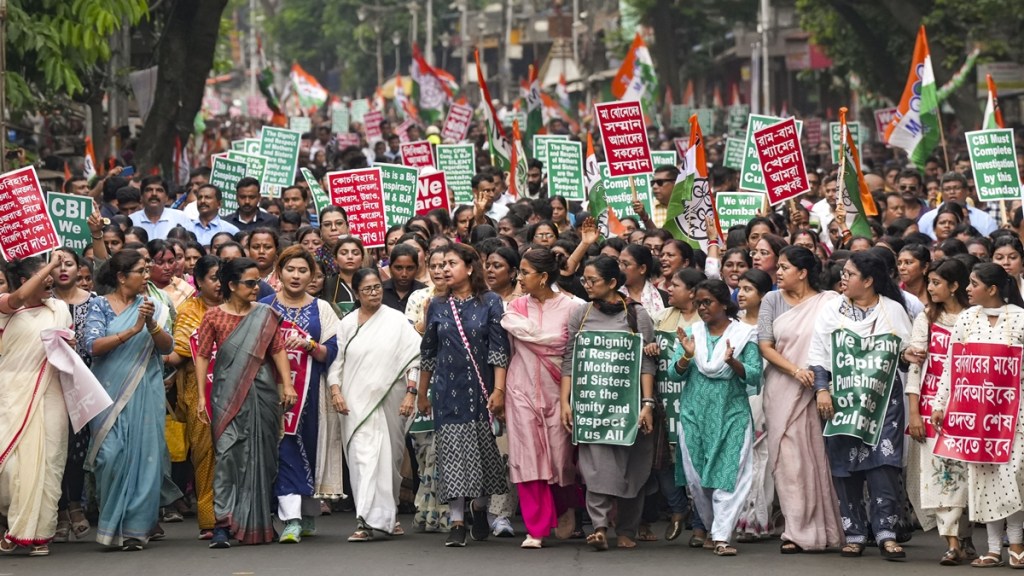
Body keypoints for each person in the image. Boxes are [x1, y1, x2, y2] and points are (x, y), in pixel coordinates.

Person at [808, 251, 912, 560]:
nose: (843, 277)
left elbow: (903, 356)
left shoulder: (893, 311)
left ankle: (886, 533)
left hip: (883, 404)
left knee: (884, 467)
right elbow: (819, 356)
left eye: (850, 274)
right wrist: (822, 391)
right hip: (841, 403)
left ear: (868, 281)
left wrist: (910, 356)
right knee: (844, 468)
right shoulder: (830, 312)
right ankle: (854, 532)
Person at [193, 258, 297, 548]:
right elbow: (202, 354)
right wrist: (202, 396)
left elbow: (277, 350)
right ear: (231, 285)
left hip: (262, 394)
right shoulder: (213, 316)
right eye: (250, 283)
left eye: (257, 282)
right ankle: (223, 525)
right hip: (226, 396)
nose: (256, 287)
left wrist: (287, 385)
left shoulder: (265, 314)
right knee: (227, 458)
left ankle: (261, 522)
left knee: (263, 457)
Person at [417, 243, 510, 548]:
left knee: (482, 455)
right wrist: (422, 393)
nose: (443, 269)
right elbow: (428, 351)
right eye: (440, 264)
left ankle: (480, 510)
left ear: (470, 268)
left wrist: (498, 390)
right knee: (453, 457)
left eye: (451, 263)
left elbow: (499, 350)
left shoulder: (491, 302)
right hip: (446, 393)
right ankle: (457, 521)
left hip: (481, 391)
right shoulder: (437, 305)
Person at [932, 263, 1024, 568]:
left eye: (973, 283)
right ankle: (994, 549)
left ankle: (1017, 543)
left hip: (1014, 414)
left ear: (993, 289)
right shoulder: (967, 320)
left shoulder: (1021, 319)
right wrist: (940, 403)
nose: (967, 288)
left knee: (1013, 476)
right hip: (976, 414)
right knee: (985, 478)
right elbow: (951, 365)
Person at [561, 256, 656, 552]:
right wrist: (566, 402)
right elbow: (569, 360)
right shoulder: (581, 314)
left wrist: (648, 404)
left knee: (633, 467)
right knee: (596, 467)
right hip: (592, 406)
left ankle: (627, 529)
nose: (586, 286)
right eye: (584, 281)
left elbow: (647, 363)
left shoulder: (637, 315)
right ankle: (600, 527)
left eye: (592, 281)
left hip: (630, 407)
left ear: (613, 283)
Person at [84, 250, 174, 551]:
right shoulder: (98, 305)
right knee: (110, 456)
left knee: (145, 458)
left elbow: (166, 348)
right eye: (141, 271)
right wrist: (132, 330)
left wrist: (150, 326)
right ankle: (111, 527)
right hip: (107, 393)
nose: (146, 276)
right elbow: (93, 346)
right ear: (122, 277)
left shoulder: (155, 307)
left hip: (146, 390)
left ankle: (136, 530)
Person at [756, 246, 843, 553]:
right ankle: (795, 531)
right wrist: (796, 371)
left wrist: (820, 380)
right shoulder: (771, 300)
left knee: (820, 459)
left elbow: (837, 343)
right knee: (789, 463)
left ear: (803, 272)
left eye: (784, 267)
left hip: (822, 389)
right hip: (783, 387)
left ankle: (827, 529)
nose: (778, 272)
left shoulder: (829, 301)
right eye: (777, 267)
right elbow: (765, 346)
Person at [671, 279, 763, 556]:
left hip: (731, 414)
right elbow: (676, 374)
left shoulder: (744, 335)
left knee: (728, 475)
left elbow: (756, 374)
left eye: (708, 302)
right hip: (694, 415)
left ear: (724, 303)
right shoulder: (692, 334)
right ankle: (714, 529)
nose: (702, 308)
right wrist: (687, 356)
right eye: (698, 303)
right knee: (698, 479)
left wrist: (733, 362)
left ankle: (722, 537)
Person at [329, 268, 420, 541]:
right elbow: (337, 363)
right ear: (357, 293)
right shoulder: (346, 324)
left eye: (377, 287)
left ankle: (387, 516)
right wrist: (335, 391)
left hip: (391, 400)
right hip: (354, 405)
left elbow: (414, 359)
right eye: (367, 289)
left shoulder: (396, 321)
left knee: (388, 462)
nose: (374, 293)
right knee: (362, 460)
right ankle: (365, 521)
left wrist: (411, 393)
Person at [259, 247, 340, 543]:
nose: (296, 276)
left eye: (303, 270)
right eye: (290, 269)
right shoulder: (264, 306)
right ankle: (290, 518)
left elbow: (332, 351)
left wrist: (309, 346)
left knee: (309, 446)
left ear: (312, 276)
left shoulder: (322, 309)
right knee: (284, 448)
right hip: (274, 392)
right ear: (279, 272)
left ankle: (306, 514)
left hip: (312, 391)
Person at [501, 248, 580, 549]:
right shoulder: (515, 308)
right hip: (520, 389)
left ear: (544, 277)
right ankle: (535, 528)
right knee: (527, 457)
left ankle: (564, 508)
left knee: (560, 458)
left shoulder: (574, 308)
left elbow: (571, 349)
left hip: (559, 391)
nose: (519, 277)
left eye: (524, 272)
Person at [0, 254, 75, 556]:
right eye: (44, 277)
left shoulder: (59, 309)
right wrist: (50, 264)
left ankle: (37, 534)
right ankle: (15, 520)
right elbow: (17, 298)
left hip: (52, 391)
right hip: (12, 392)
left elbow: (68, 351)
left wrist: (67, 346)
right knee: (11, 467)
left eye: (52, 277)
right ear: (25, 280)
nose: (51, 280)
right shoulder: (7, 306)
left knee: (49, 463)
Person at [903, 258, 973, 565]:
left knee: (967, 477)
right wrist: (914, 413)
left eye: (936, 283)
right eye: (929, 282)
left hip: (969, 408)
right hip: (933, 409)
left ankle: (965, 538)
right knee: (940, 477)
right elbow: (915, 370)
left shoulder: (974, 319)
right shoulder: (926, 319)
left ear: (955, 286)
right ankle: (952, 543)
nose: (929, 288)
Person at [645, 268, 706, 546]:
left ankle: (699, 524)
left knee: (696, 464)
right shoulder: (661, 318)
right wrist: (650, 349)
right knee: (663, 461)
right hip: (663, 402)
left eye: (676, 285)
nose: (668, 289)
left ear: (693, 292)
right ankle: (678, 508)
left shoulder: (707, 323)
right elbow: (646, 348)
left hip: (696, 402)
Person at [165, 255, 221, 540]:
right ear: (198, 281)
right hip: (200, 391)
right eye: (214, 277)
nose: (221, 283)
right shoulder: (190, 310)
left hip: (236, 388)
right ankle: (209, 519)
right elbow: (180, 352)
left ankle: (241, 515)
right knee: (205, 454)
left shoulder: (241, 307)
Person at [50, 251, 99, 544]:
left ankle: (75, 505)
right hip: (51, 382)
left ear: (79, 268)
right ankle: (58, 511)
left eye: (68, 264)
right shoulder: (44, 301)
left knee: (78, 448)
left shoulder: (94, 301)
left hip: (84, 383)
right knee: (56, 445)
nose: (63, 270)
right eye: (56, 265)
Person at [406, 247, 452, 533]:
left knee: (446, 449)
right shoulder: (418, 298)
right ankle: (425, 508)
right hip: (422, 376)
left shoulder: (462, 300)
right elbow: (413, 341)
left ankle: (446, 511)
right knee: (424, 450)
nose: (438, 270)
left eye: (445, 265)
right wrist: (426, 315)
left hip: (452, 378)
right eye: (433, 265)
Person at [734, 269, 775, 542]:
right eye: (739, 288)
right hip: (738, 395)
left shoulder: (773, 324)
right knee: (742, 457)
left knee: (764, 457)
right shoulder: (731, 324)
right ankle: (741, 516)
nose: (740, 294)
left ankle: (759, 518)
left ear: (762, 295)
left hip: (767, 394)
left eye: (748, 289)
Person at [129, 176, 192, 240]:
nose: (154, 194)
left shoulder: (180, 218)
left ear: (167, 197)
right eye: (149, 190)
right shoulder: (131, 220)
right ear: (141, 197)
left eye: (159, 190)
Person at [618, 244, 667, 316]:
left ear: (642, 269)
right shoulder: (611, 295)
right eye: (619, 263)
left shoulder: (664, 298)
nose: (620, 268)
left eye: (625, 264)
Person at [323, 235, 363, 318]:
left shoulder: (370, 283)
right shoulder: (327, 284)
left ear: (362, 259)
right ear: (335, 259)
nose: (350, 257)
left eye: (355, 253)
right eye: (344, 253)